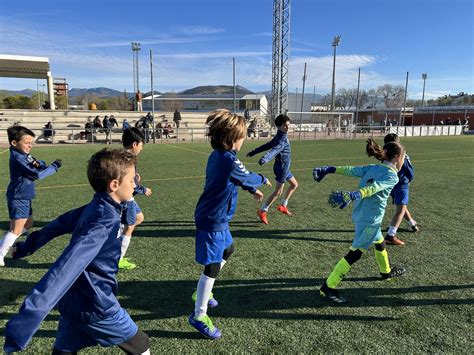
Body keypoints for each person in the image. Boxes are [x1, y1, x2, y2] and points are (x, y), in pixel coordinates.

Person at [3, 149, 151, 354]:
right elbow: (68, 265)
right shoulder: (104, 220)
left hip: (74, 303)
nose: (135, 184)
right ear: (114, 185)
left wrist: (26, 246)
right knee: (141, 344)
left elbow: (61, 222)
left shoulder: (99, 205)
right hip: (97, 304)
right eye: (132, 180)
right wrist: (29, 316)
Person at [189, 109, 270, 339]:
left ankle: (203, 292)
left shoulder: (220, 157)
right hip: (212, 218)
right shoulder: (227, 159)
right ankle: (199, 314)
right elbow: (246, 175)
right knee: (212, 267)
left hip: (218, 217)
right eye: (243, 136)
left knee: (228, 249)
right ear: (232, 138)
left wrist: (251, 189)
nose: (245, 140)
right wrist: (260, 180)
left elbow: (235, 178)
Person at [312, 138, 407, 303]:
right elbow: (374, 188)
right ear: (398, 157)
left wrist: (330, 169)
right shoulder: (392, 176)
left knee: (380, 243)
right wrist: (356, 194)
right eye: (403, 158)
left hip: (362, 215)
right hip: (370, 220)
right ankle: (328, 287)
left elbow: (351, 170)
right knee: (355, 253)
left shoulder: (373, 167)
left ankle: (386, 272)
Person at [0, 126, 62, 267]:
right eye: (27, 143)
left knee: (28, 225)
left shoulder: (23, 155)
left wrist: (41, 164)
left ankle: (3, 244)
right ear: (14, 143)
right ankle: (1, 253)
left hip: (24, 195)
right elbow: (37, 175)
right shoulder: (17, 158)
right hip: (18, 196)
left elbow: (36, 163)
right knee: (15, 229)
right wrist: (53, 167)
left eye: (31, 142)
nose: (30, 145)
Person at [246, 114, 298, 225]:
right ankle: (263, 210)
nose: (287, 127)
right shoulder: (282, 139)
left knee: (294, 185)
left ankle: (283, 205)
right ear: (278, 126)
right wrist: (265, 159)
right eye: (285, 126)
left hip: (284, 167)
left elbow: (267, 145)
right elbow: (274, 150)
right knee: (277, 192)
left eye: (288, 125)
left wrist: (253, 152)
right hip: (282, 168)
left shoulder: (280, 135)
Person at [119, 128, 152, 270]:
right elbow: (128, 183)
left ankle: (115, 237)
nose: (142, 148)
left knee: (138, 218)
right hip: (126, 197)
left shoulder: (122, 156)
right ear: (134, 144)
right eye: (141, 144)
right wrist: (143, 189)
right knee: (129, 227)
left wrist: (135, 177)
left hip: (127, 197)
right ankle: (117, 259)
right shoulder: (128, 159)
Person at [384, 133, 417, 246]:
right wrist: (409, 180)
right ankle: (391, 235)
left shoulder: (385, 154)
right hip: (401, 184)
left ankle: (412, 223)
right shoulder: (402, 155)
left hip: (390, 184)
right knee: (400, 209)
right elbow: (410, 171)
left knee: (401, 206)